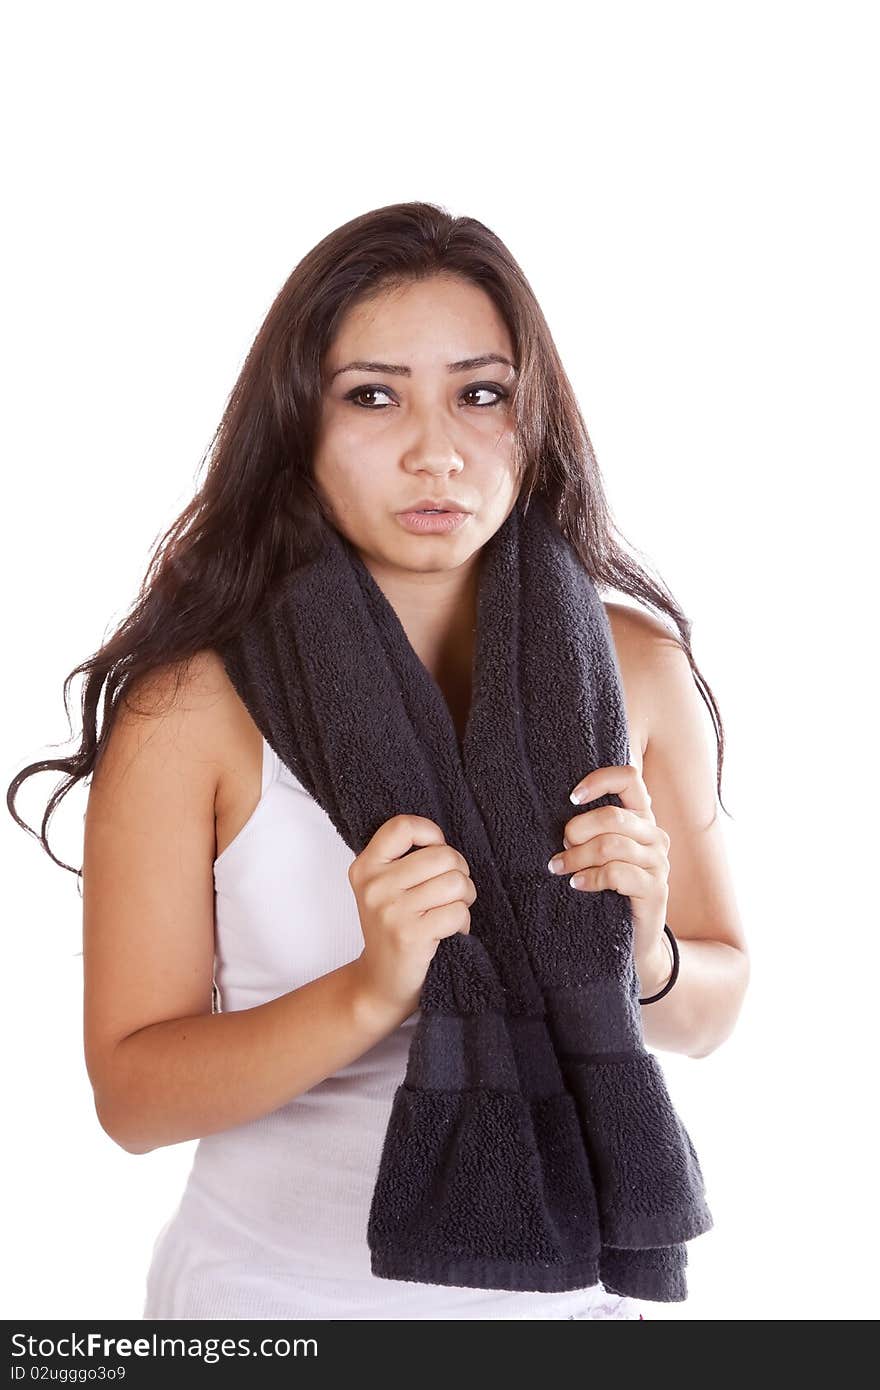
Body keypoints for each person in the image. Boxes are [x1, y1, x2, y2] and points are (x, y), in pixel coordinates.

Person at [6, 201, 749, 1320]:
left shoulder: (633, 666)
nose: (434, 449)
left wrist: (643, 944)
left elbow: (715, 1005)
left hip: (575, 1309)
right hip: (270, 1310)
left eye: (479, 392)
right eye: (372, 394)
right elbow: (133, 1097)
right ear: (298, 422)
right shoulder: (192, 705)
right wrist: (371, 986)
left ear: (532, 415)